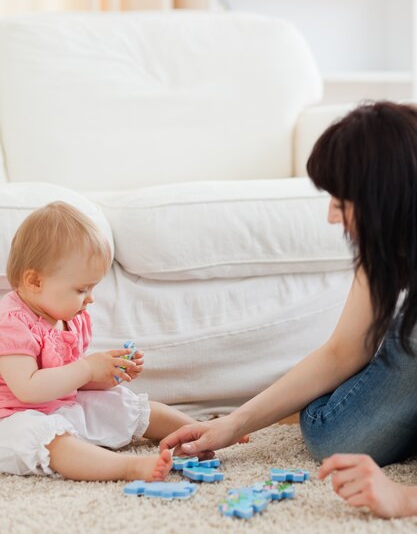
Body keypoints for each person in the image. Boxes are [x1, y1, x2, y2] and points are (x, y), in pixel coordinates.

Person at [160, 101, 417, 518]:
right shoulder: (387, 241)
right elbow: (344, 350)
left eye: (342, 200)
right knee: (331, 431)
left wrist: (405, 499)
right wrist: (232, 424)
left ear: (385, 197)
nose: (333, 216)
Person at [0, 201, 199, 482]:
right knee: (50, 443)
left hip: (62, 405)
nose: (90, 298)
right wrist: (87, 368)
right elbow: (28, 389)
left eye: (93, 288)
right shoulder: (10, 321)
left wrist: (109, 374)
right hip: (14, 418)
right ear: (35, 281)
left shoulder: (70, 316)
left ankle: (200, 432)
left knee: (126, 405)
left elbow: (75, 381)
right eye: (82, 289)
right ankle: (128, 468)